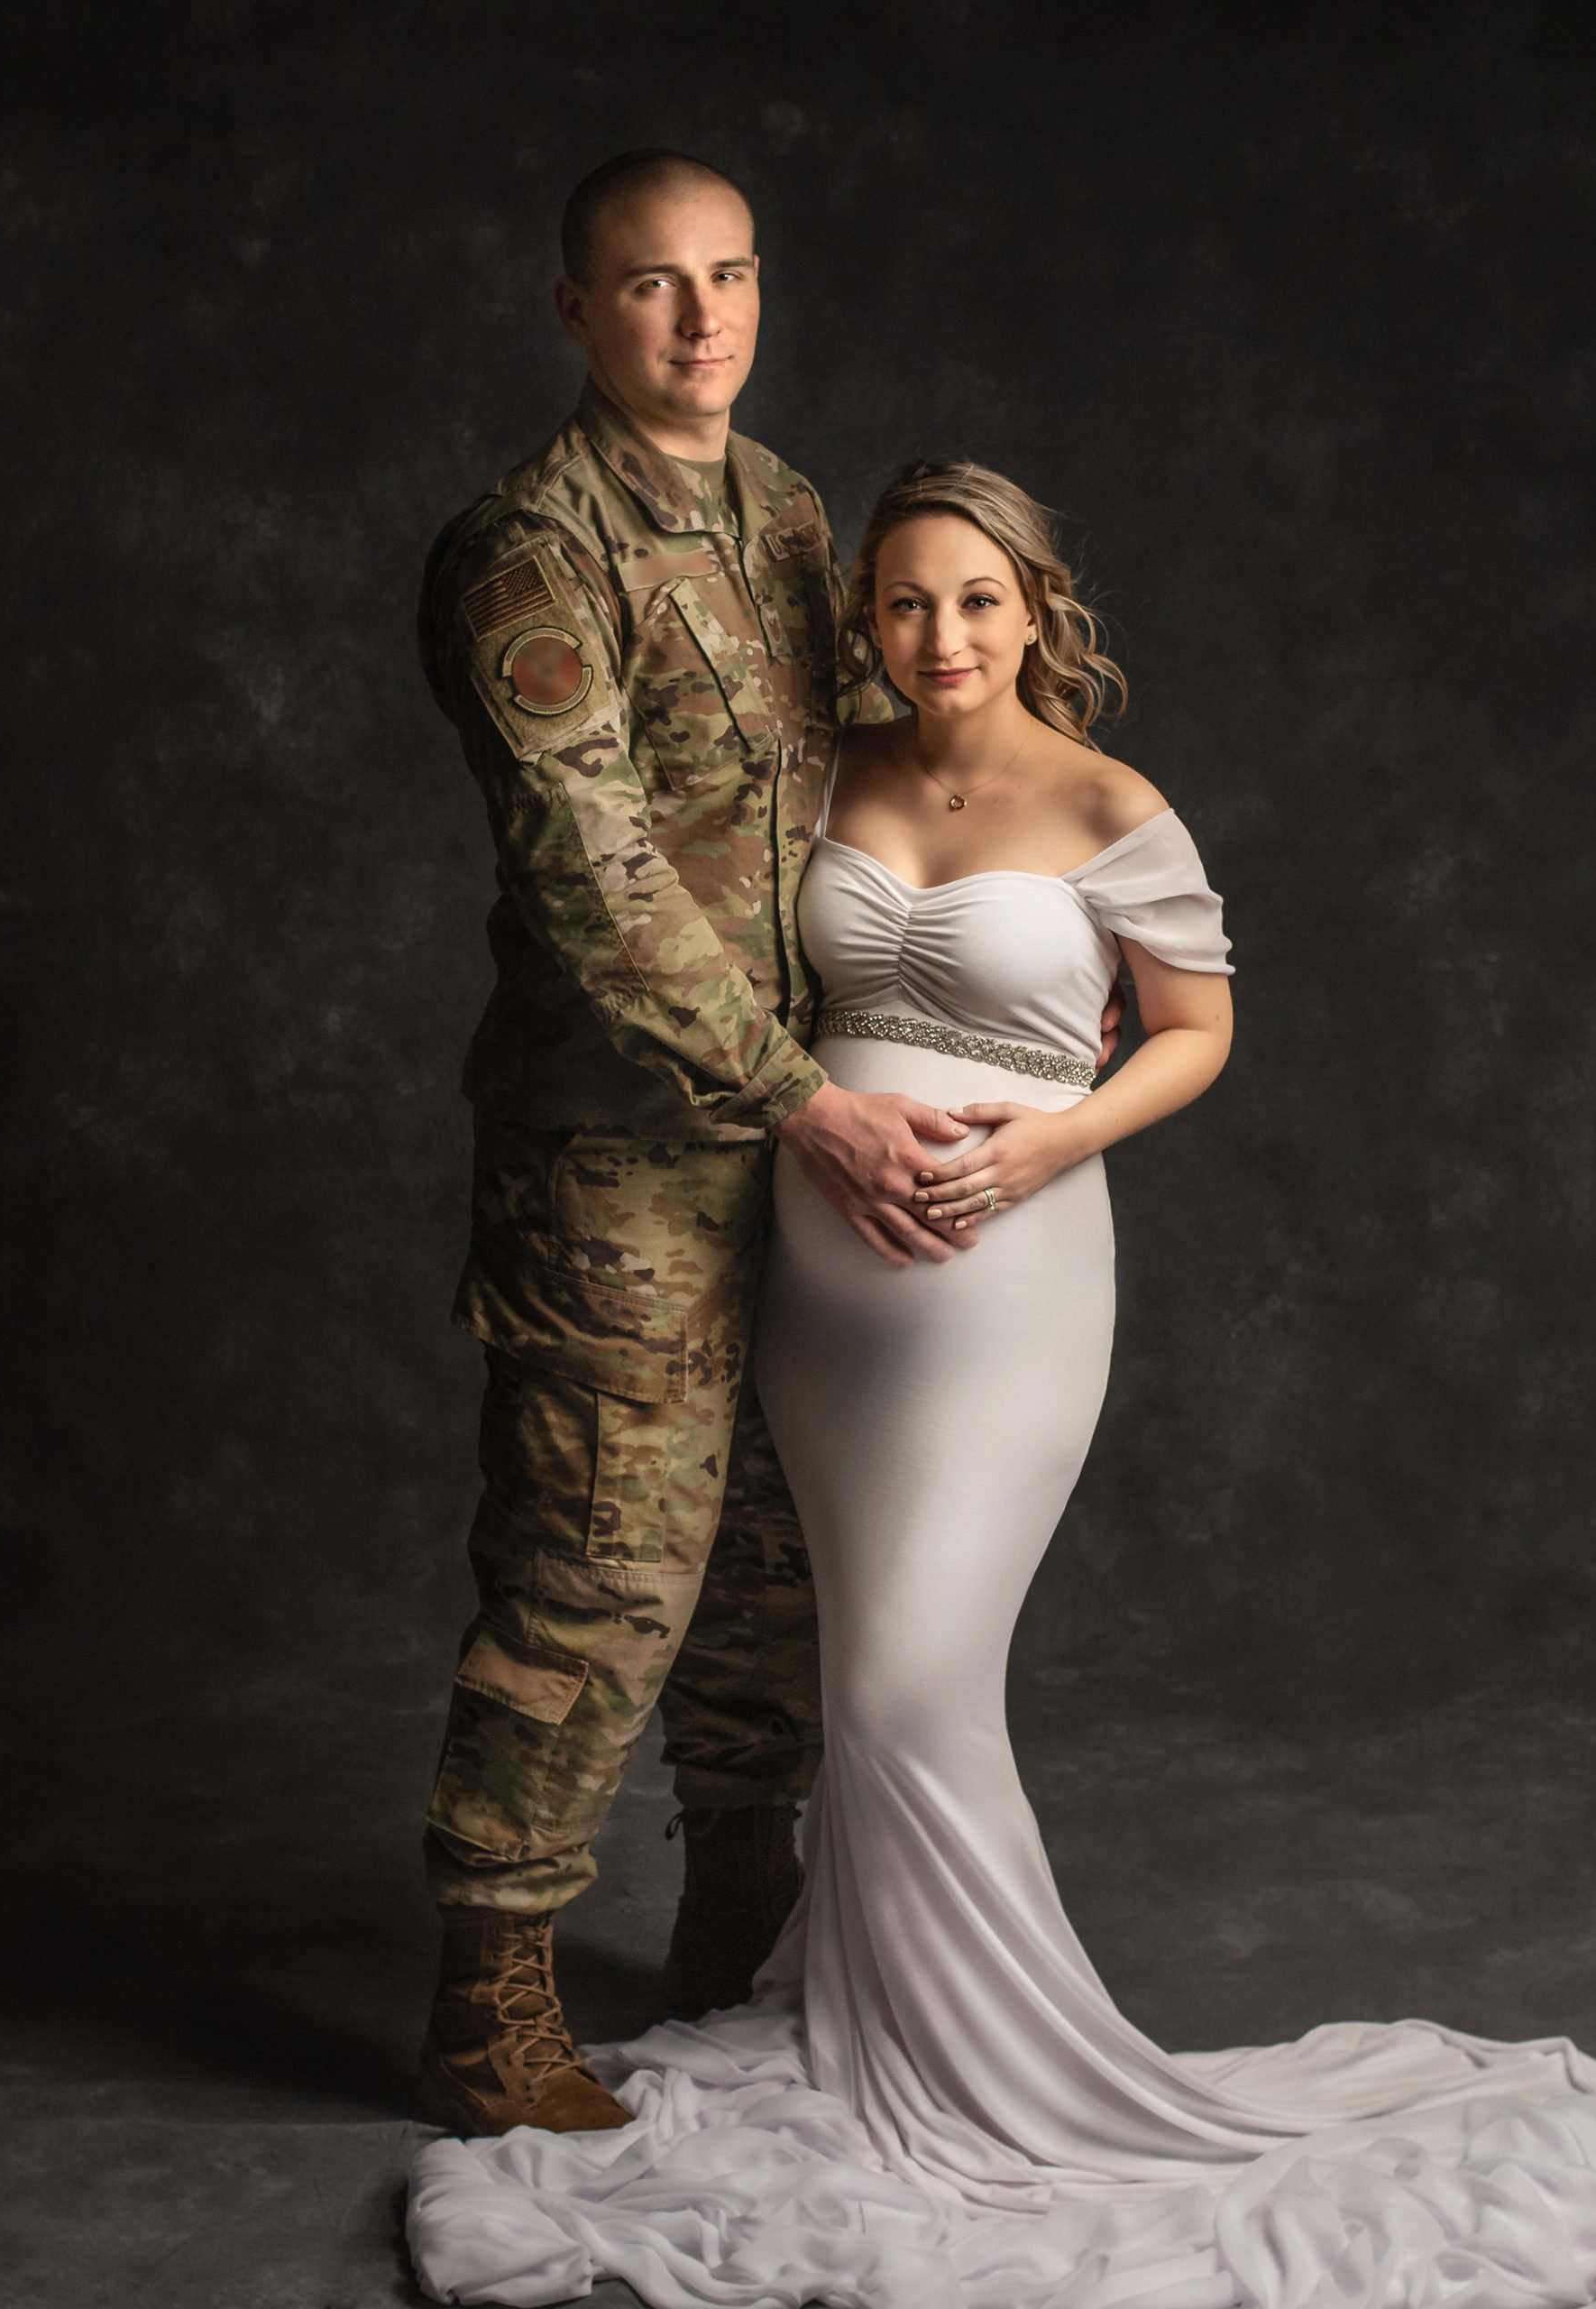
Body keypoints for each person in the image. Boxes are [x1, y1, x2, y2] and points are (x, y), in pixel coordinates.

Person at [408, 463, 1596, 2308]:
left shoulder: (1103, 799)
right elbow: (705, 949)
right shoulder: (816, 774)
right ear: (866, 620)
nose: (939, 636)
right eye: (904, 602)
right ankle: (870, 2023)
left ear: (1033, 605)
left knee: (920, 1672)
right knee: (850, 1658)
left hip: (1008, 1270)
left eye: (975, 600)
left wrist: (1046, 1140)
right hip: (818, 1279)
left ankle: (1016, 2084)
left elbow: (1197, 1027)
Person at [414, 150, 1126, 2139]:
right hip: (623, 1152)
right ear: (577, 310)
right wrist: (811, 1091)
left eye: (727, 276)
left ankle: (741, 1913)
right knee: (599, 1562)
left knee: (771, 1563)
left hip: (811, 1131)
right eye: (652, 285)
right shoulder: (526, 557)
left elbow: (884, 758)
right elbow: (600, 881)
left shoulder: (789, 510)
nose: (700, 317)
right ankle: (488, 1992)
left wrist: (1039, 903)